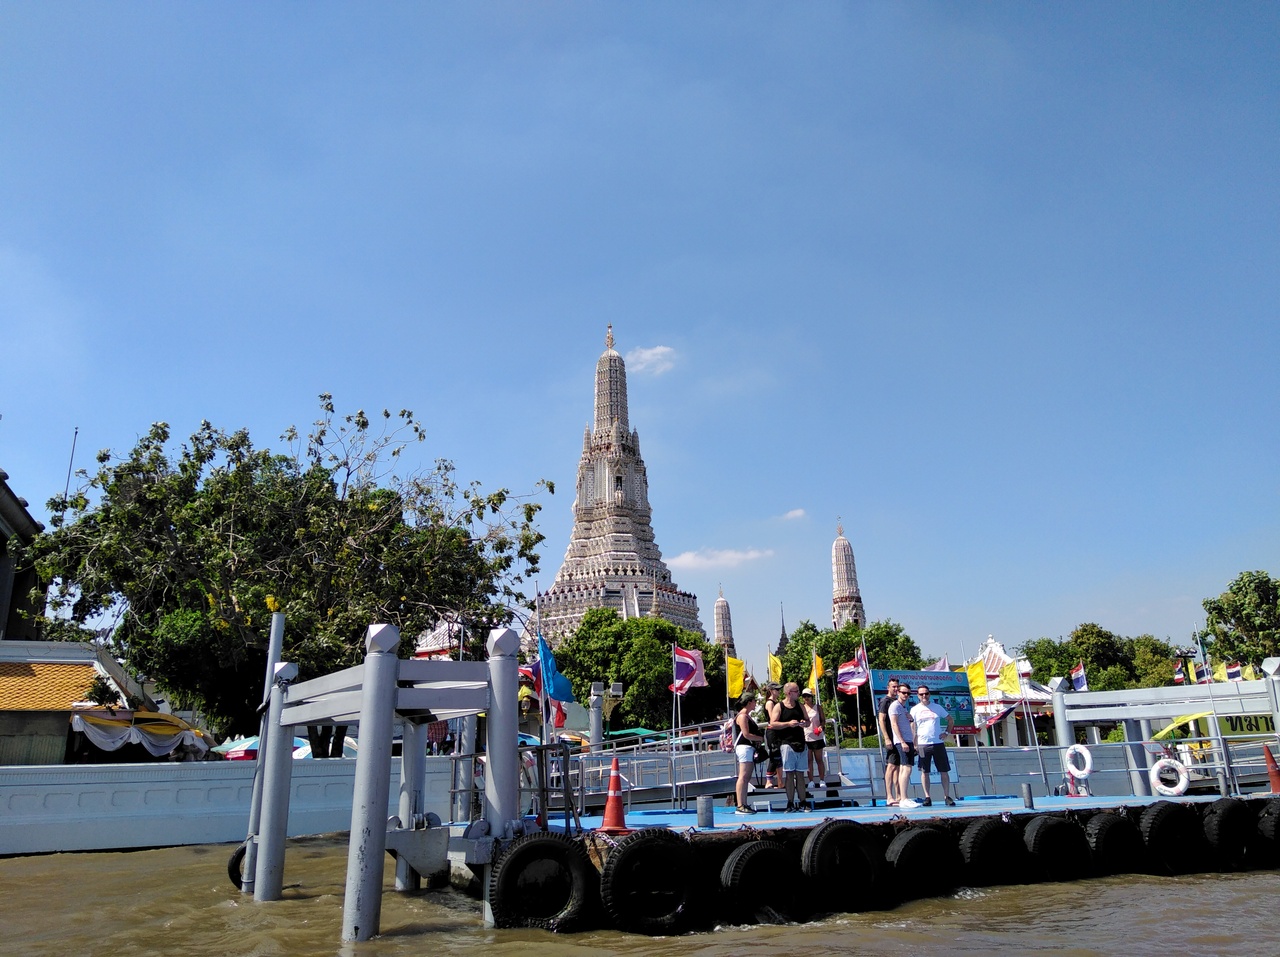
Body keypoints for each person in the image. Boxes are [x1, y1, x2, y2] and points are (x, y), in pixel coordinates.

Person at [909, 685, 956, 807]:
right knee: (925, 772)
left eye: (926, 693)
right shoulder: (914, 709)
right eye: (921, 694)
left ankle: (947, 796)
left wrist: (946, 733)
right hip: (923, 744)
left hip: (938, 743)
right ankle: (927, 797)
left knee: (944, 771)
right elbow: (912, 727)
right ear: (918, 696)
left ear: (929, 694)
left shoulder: (937, 707)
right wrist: (914, 742)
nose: (924, 696)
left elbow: (950, 720)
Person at [770, 682, 809, 811]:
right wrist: (788, 724)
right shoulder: (779, 706)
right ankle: (790, 803)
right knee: (789, 774)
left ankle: (803, 802)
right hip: (787, 743)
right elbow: (772, 723)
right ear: (788, 693)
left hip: (801, 742)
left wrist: (804, 723)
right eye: (796, 691)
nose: (798, 693)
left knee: (800, 774)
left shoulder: (800, 706)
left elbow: (808, 720)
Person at [732, 692, 765, 813]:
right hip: (744, 747)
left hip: (748, 748)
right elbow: (746, 734)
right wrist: (760, 738)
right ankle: (740, 805)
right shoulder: (742, 716)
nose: (756, 704)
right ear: (749, 702)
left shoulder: (747, 716)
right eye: (754, 701)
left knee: (747, 777)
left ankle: (744, 803)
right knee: (743, 776)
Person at [887, 684, 918, 807]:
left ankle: (902, 797)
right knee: (906, 768)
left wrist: (910, 719)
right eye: (903, 693)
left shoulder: (903, 707)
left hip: (908, 740)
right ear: (898, 692)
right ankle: (904, 798)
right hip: (902, 741)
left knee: (904, 768)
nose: (906, 695)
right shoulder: (894, 706)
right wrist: (902, 741)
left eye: (908, 693)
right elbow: (894, 724)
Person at [877, 677, 902, 804]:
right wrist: (886, 738)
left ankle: (899, 796)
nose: (896, 689)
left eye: (897, 686)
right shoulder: (885, 701)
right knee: (891, 766)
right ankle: (889, 796)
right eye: (893, 686)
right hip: (891, 739)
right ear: (888, 687)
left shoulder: (898, 702)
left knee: (898, 766)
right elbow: (881, 720)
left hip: (898, 738)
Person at [801, 688, 827, 784]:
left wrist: (821, 726)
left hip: (817, 736)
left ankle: (822, 780)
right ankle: (811, 781)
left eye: (808, 696)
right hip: (806, 737)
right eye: (804, 696)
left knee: (819, 760)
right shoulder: (802, 708)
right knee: (809, 761)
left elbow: (823, 720)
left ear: (812, 697)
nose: (806, 698)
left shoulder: (818, 707)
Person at [762, 682, 784, 789]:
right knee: (774, 755)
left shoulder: (777, 702)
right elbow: (772, 719)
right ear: (771, 691)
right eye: (777, 690)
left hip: (778, 731)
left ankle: (780, 782)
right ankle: (768, 781)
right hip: (772, 731)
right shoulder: (770, 703)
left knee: (779, 756)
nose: (779, 692)